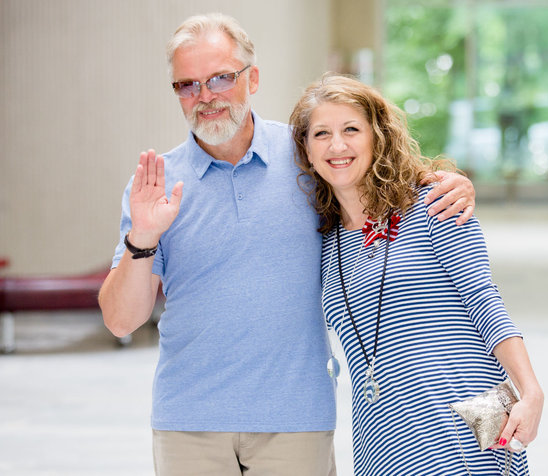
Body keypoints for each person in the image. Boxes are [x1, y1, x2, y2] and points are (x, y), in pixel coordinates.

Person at [98, 13, 476, 476]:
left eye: (220, 78)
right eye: (188, 85)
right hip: (189, 424)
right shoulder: (155, 187)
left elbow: (378, 180)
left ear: (252, 77)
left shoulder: (308, 158)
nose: (206, 96)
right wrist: (143, 237)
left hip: (296, 423)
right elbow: (121, 321)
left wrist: (443, 181)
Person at [289, 73, 544, 476]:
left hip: (467, 422)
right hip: (383, 436)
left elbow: (484, 298)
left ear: (378, 136)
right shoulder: (324, 240)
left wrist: (530, 390)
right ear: (305, 148)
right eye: (321, 133)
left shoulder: (434, 204)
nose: (337, 145)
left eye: (351, 129)